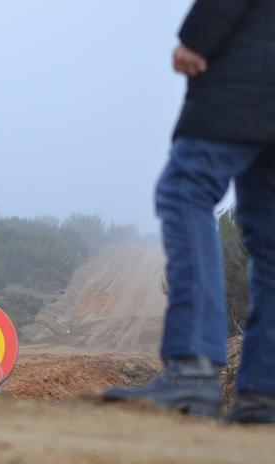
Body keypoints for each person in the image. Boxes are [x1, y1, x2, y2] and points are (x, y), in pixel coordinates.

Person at [104, 0, 275, 424]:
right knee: (270, 237)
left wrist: (198, 37)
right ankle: (263, 394)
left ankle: (193, 365)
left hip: (249, 75)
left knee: (185, 190)